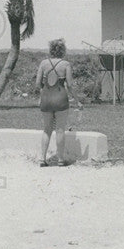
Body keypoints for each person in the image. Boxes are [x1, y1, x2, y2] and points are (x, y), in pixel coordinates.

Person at [36, 38, 77, 166]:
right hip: (61, 99)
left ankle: (42, 159)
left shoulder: (43, 63)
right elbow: (69, 85)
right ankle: (60, 159)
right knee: (60, 130)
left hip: (46, 99)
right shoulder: (66, 64)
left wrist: (42, 95)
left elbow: (38, 84)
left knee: (46, 130)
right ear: (63, 50)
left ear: (51, 50)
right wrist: (77, 99)